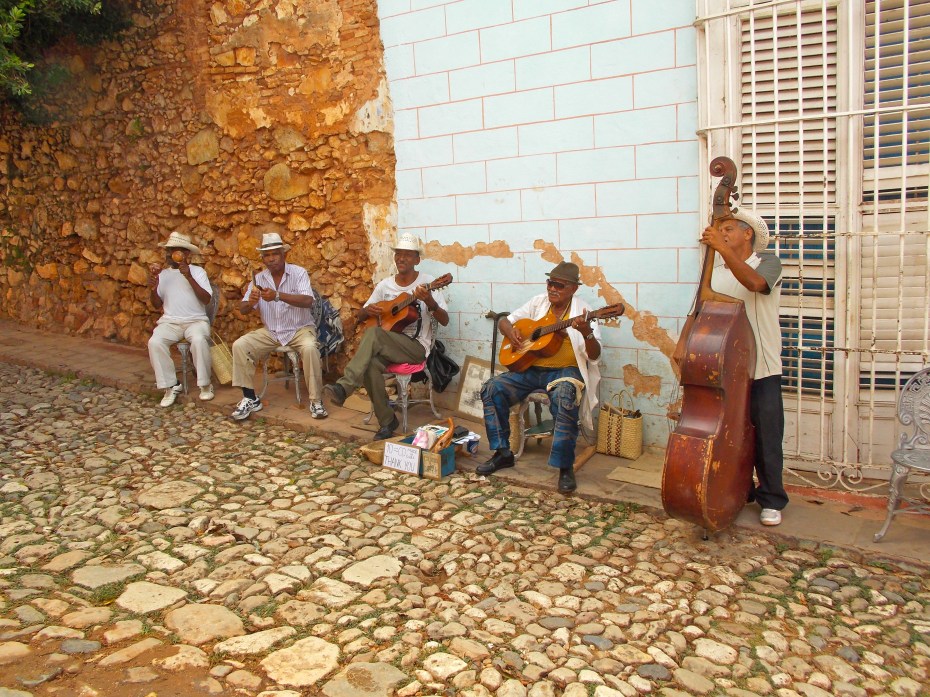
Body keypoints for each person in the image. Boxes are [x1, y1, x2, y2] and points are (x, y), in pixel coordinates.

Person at [477, 261, 602, 494]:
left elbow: (594, 356)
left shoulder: (584, 312)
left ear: (573, 289)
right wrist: (510, 331)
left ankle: (565, 466)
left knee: (565, 395)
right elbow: (505, 320)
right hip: (531, 369)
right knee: (491, 388)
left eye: (559, 285)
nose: (552, 288)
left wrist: (586, 333)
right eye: (550, 283)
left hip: (565, 370)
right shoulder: (538, 302)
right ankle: (503, 453)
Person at [701, 208, 787, 526]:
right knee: (730, 436)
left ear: (746, 233)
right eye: (719, 229)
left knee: (766, 436)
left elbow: (754, 284)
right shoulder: (716, 270)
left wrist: (720, 248)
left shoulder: (768, 262)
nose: (721, 234)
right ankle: (739, 490)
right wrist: (684, 344)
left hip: (762, 366)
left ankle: (772, 498)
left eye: (728, 229)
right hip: (726, 367)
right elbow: (699, 309)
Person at [325, 232, 449, 440]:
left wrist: (430, 302)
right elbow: (361, 315)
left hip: (416, 347)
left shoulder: (428, 283)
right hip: (388, 345)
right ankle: (387, 421)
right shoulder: (385, 285)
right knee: (370, 365)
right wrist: (370, 311)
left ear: (417, 259)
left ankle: (345, 386)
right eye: (398, 254)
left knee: (374, 333)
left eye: (408, 255)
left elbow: (444, 320)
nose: (401, 258)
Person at [230, 232, 328, 421]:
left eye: (275, 254)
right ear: (263, 258)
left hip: (299, 329)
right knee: (240, 345)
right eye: (267, 255)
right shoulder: (259, 278)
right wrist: (250, 302)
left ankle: (316, 401)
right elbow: (242, 310)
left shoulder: (298, 273)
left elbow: (308, 301)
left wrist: (277, 295)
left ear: (284, 255)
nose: (271, 258)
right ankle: (250, 398)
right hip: (272, 331)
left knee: (309, 348)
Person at [147, 231, 214, 407]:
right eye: (169, 250)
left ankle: (205, 385)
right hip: (171, 321)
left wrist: (188, 276)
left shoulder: (198, 272)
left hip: (196, 320)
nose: (171, 254)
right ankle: (171, 385)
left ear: (186, 254)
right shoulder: (164, 275)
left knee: (199, 340)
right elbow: (155, 304)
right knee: (155, 342)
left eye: (176, 250)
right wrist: (153, 288)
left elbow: (206, 299)